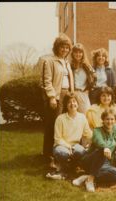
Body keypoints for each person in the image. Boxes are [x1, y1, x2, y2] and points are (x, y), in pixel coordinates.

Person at [72, 108, 116, 192]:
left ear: (115, 120)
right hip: (91, 160)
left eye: (112, 119)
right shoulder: (97, 130)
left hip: (106, 163)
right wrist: (105, 147)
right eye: (107, 119)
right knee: (101, 151)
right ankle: (91, 180)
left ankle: (86, 177)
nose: (110, 121)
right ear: (103, 120)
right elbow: (99, 140)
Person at [40, 34, 74, 165]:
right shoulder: (49, 61)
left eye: (67, 47)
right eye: (62, 47)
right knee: (53, 126)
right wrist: (52, 97)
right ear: (57, 47)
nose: (65, 50)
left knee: (64, 125)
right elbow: (46, 82)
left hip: (67, 96)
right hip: (56, 96)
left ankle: (62, 152)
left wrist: (72, 94)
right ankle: (48, 155)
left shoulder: (67, 63)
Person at [46, 92, 92, 180]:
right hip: (61, 146)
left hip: (75, 146)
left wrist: (96, 139)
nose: (72, 104)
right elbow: (57, 138)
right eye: (69, 102)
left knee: (81, 152)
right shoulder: (60, 118)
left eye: (74, 101)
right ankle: (63, 169)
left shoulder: (82, 117)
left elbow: (88, 133)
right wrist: (68, 146)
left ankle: (72, 166)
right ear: (66, 105)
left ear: (78, 104)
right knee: (62, 153)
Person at [70, 43, 96, 114]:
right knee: (73, 114)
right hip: (73, 93)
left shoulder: (87, 66)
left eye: (80, 52)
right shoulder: (70, 65)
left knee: (86, 114)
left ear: (83, 53)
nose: (78, 54)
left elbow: (94, 77)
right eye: (76, 52)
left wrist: (88, 89)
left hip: (83, 93)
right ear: (73, 53)